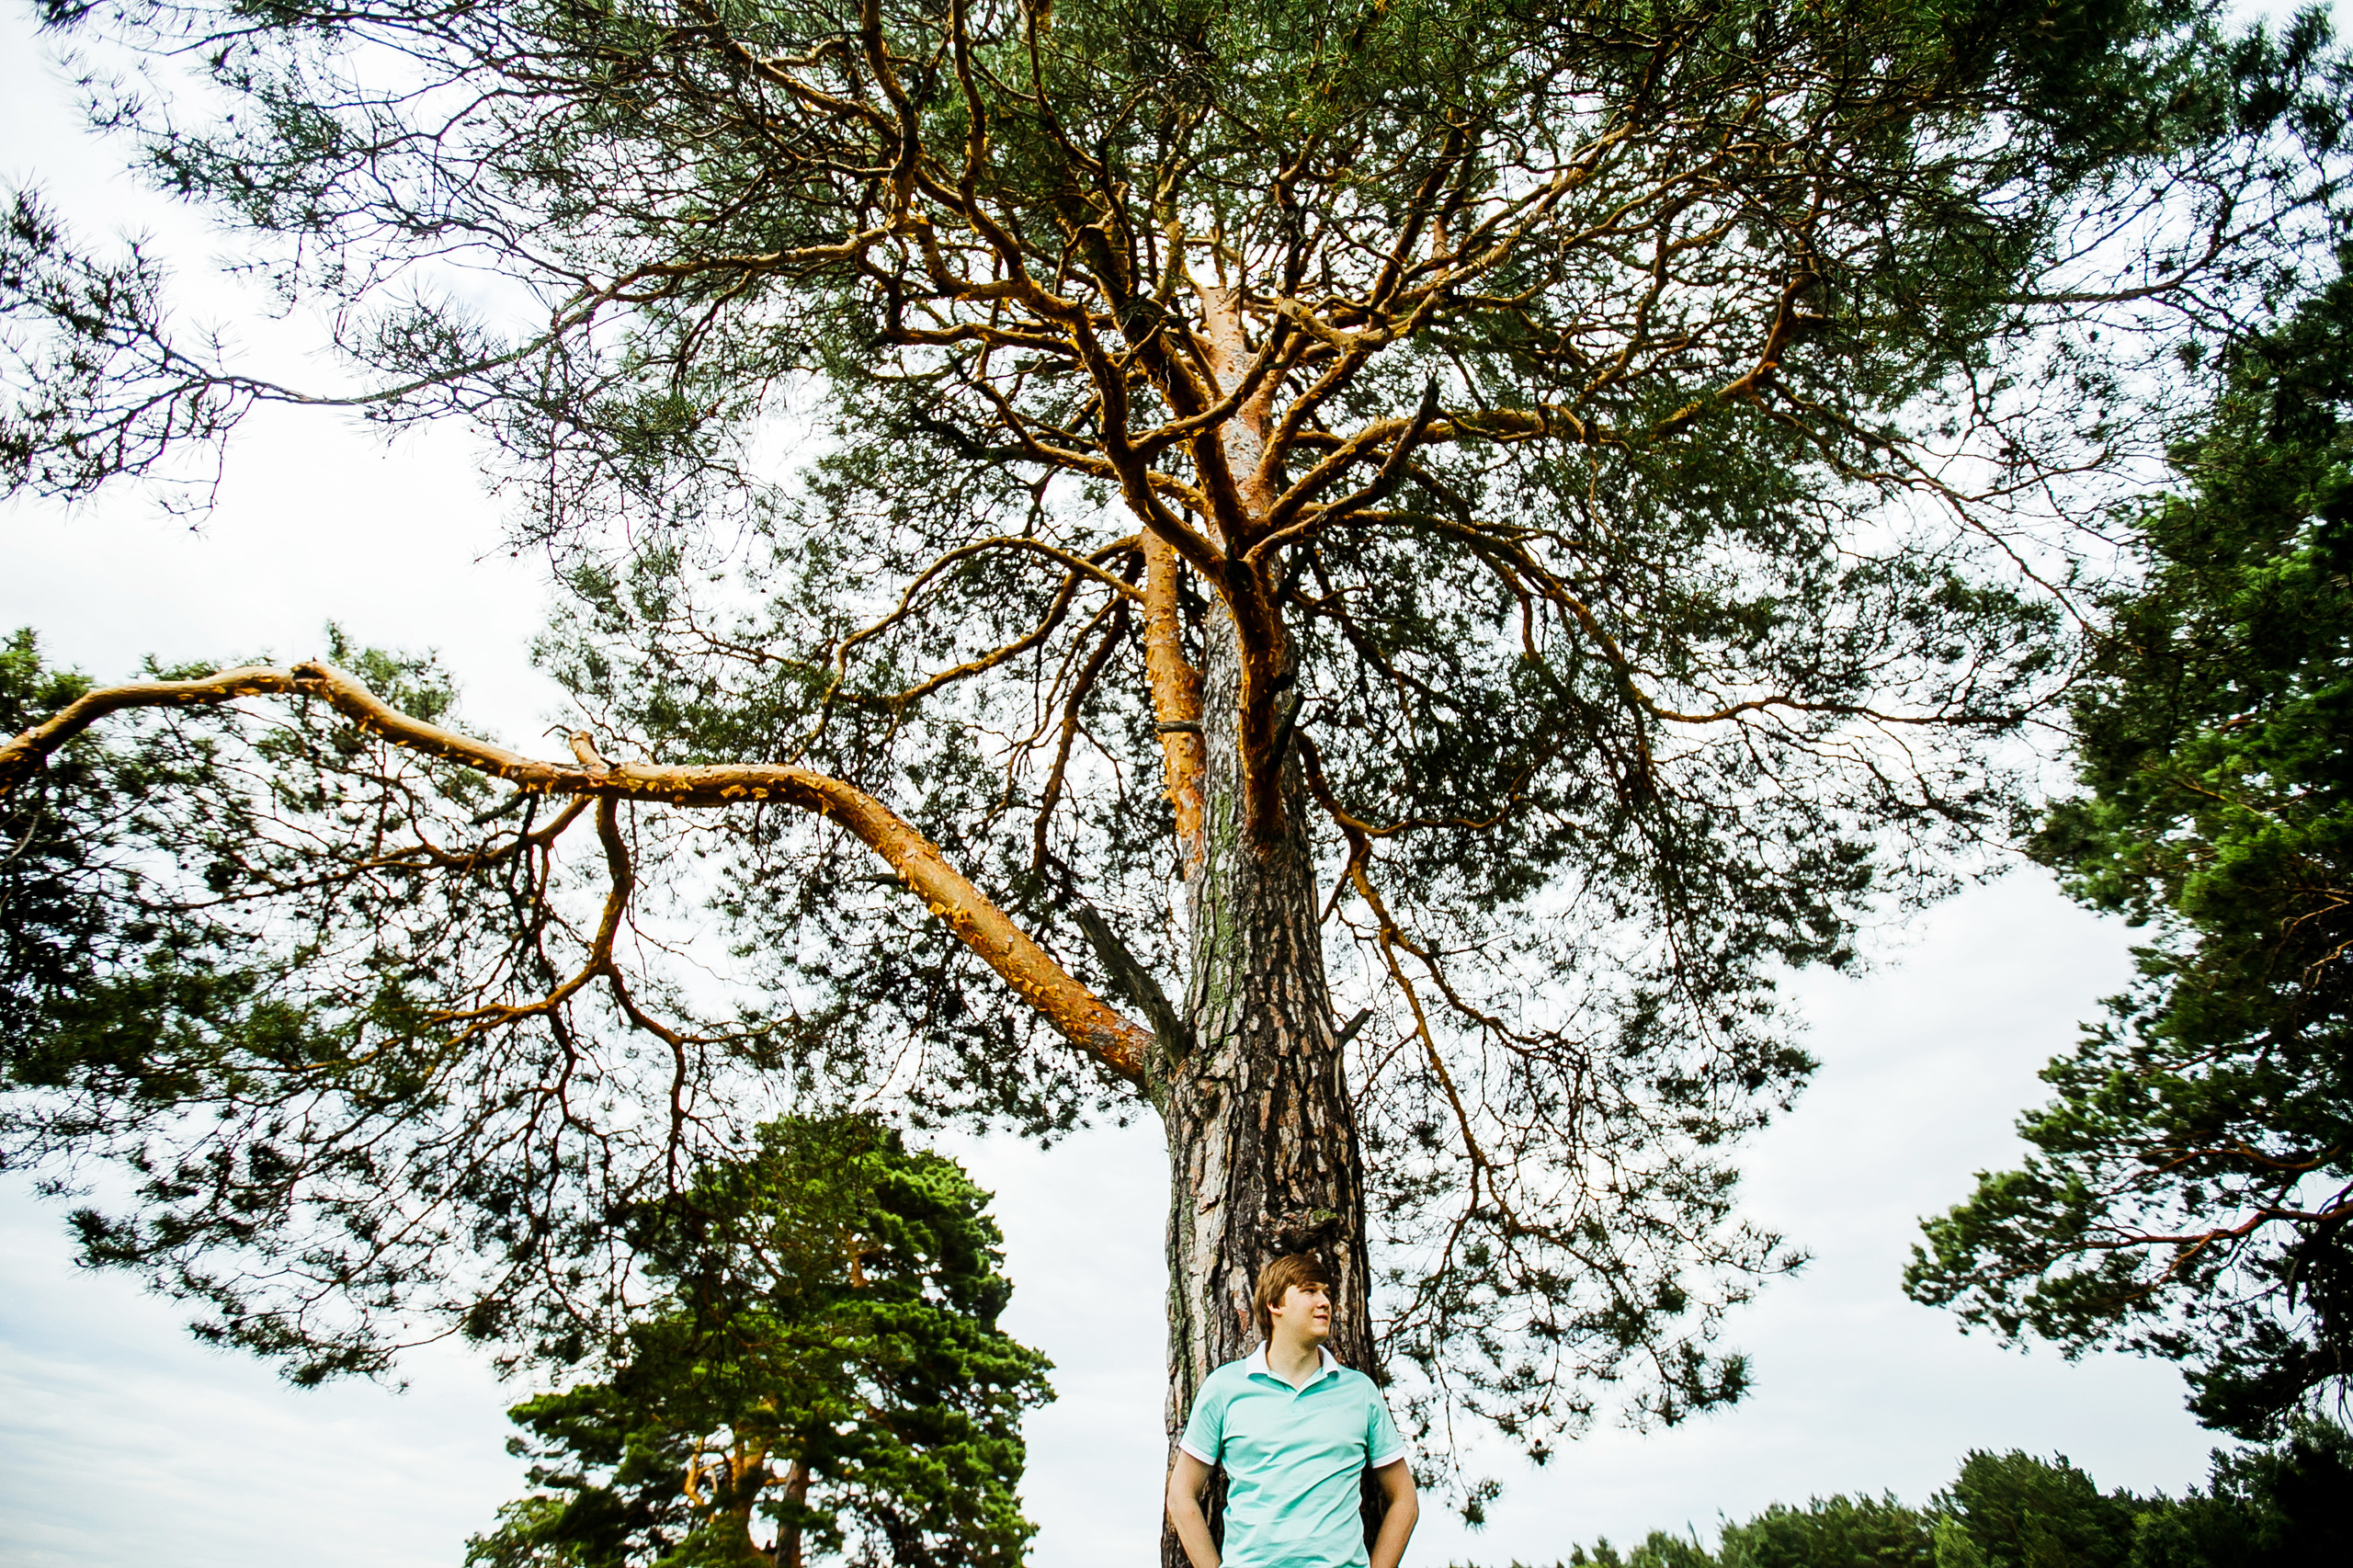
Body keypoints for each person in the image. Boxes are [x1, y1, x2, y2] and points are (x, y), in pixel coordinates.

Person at [1165, 1254, 1420, 1568]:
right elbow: (1180, 1496)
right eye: (1310, 1291)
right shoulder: (1224, 1388)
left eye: (1326, 1292)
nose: (1324, 1301)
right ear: (1275, 1304)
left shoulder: (1360, 1392)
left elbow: (1405, 1500)